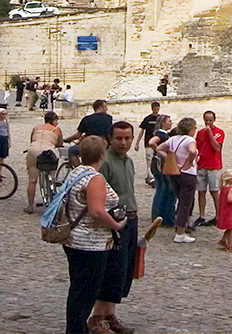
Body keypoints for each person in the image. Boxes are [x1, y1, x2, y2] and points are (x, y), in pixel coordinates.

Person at [52, 136, 123, 334]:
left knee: (78, 289)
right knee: (85, 292)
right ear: (102, 154)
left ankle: (75, 328)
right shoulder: (94, 178)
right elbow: (97, 211)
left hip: (73, 240)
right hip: (91, 244)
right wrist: (116, 224)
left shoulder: (76, 173)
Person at [91, 122, 139, 334]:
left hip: (131, 219)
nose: (123, 142)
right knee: (111, 270)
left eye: (127, 138)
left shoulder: (128, 161)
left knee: (124, 271)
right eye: (119, 138)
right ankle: (97, 317)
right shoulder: (106, 162)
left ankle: (110, 314)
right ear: (110, 138)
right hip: (114, 221)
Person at [160, 118, 199, 242]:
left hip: (175, 172)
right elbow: (192, 151)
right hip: (187, 173)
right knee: (185, 203)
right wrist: (189, 162)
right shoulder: (190, 140)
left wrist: (170, 159)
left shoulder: (172, 139)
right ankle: (180, 232)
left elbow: (158, 148)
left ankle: (179, 227)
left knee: (180, 200)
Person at [26, 111, 65, 210]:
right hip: (47, 152)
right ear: (54, 120)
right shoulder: (56, 129)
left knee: (32, 181)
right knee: (50, 174)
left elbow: (32, 139)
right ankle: (51, 193)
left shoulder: (36, 127)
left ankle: (30, 206)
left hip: (33, 150)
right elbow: (60, 142)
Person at [192, 109, 225, 227]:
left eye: (210, 120)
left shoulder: (219, 132)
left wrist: (210, 134)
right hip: (202, 165)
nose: (208, 122)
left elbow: (217, 148)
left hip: (213, 166)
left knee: (214, 192)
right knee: (201, 192)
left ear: (214, 120)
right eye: (206, 120)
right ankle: (201, 215)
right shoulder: (200, 133)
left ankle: (218, 216)